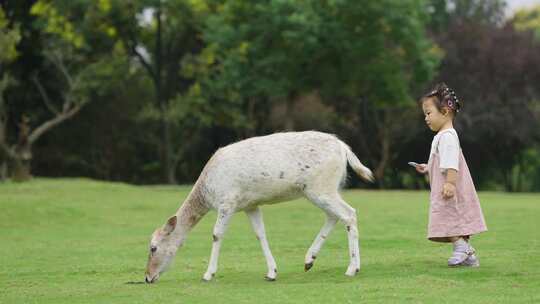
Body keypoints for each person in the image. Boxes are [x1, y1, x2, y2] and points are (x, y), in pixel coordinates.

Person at [414, 83, 487, 267]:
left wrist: (450, 184)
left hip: (448, 188)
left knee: (447, 216)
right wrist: (427, 167)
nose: (426, 118)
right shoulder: (443, 135)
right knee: (449, 217)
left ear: (445, 111)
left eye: (429, 113)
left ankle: (461, 247)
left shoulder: (447, 136)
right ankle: (468, 257)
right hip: (445, 185)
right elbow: (441, 161)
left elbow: (451, 163)